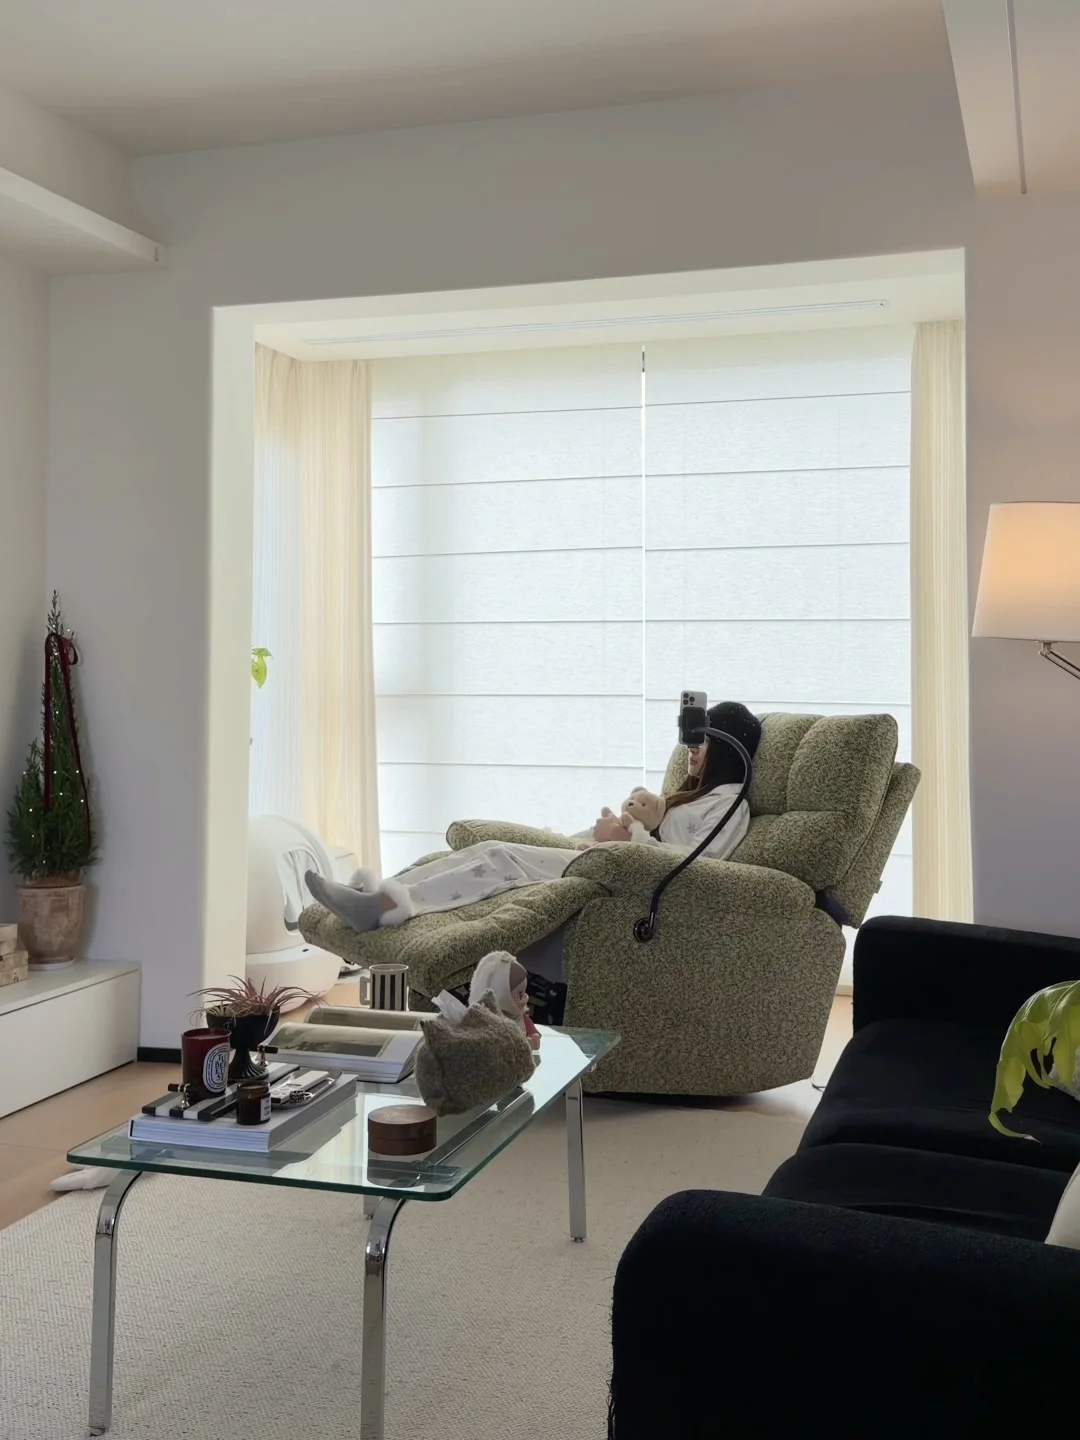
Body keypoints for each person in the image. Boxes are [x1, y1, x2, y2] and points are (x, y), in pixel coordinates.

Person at [305, 701, 762, 934]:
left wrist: (628, 841)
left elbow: (697, 869)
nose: (691, 750)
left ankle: (386, 908)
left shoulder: (730, 805)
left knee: (500, 859)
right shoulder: (691, 796)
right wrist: (604, 833)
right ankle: (376, 894)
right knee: (489, 849)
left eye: (704, 742)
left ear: (727, 748)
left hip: (624, 879)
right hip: (607, 862)